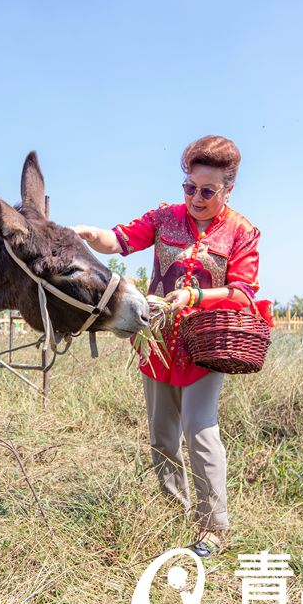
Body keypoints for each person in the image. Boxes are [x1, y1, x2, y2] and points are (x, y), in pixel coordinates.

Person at [72, 135, 262, 557]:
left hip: (203, 346)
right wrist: (88, 235)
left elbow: (243, 292)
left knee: (200, 429)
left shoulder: (241, 232)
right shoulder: (164, 218)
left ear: (228, 189)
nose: (196, 197)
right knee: (162, 437)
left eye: (208, 191)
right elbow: (119, 240)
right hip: (155, 342)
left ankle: (213, 529)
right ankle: (171, 512)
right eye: (190, 187)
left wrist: (195, 298)